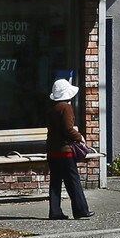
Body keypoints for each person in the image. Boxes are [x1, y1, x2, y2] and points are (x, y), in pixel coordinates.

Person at [45, 76, 92, 221]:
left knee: (55, 182)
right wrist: (80, 137)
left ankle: (55, 211)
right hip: (64, 152)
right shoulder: (66, 107)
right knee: (73, 181)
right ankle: (81, 210)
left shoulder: (53, 108)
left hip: (52, 151)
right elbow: (68, 129)